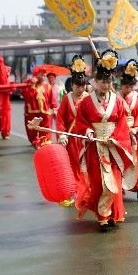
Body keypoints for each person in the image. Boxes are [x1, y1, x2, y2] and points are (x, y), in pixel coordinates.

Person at [72, 50, 136, 230]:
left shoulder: (118, 101)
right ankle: (102, 217)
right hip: (95, 147)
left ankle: (113, 214)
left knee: (114, 181)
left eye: (108, 81)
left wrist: (115, 139)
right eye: (102, 81)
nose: (105, 84)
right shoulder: (86, 102)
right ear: (96, 81)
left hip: (113, 146)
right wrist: (88, 132)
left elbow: (122, 122)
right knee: (99, 182)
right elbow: (81, 122)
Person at [56, 55, 90, 206]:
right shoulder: (67, 99)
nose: (80, 89)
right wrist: (62, 133)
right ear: (72, 85)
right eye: (77, 86)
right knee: (73, 166)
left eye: (82, 86)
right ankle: (75, 191)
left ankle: (88, 192)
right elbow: (60, 118)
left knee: (87, 166)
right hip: (71, 139)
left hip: (86, 139)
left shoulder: (90, 98)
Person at [118, 59, 138, 202]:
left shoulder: (137, 98)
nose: (128, 89)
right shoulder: (115, 98)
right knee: (120, 161)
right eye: (126, 86)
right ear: (122, 85)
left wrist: (136, 129)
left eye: (131, 86)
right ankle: (120, 187)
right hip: (119, 133)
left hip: (134, 133)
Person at [22, 66, 56, 148]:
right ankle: (35, 142)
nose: (44, 76)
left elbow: (52, 99)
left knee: (45, 129)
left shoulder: (48, 86)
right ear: (36, 75)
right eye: (42, 75)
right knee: (32, 130)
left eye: (44, 75)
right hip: (32, 112)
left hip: (45, 112)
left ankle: (44, 144)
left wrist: (54, 108)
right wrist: (31, 86)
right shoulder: (29, 85)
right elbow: (26, 97)